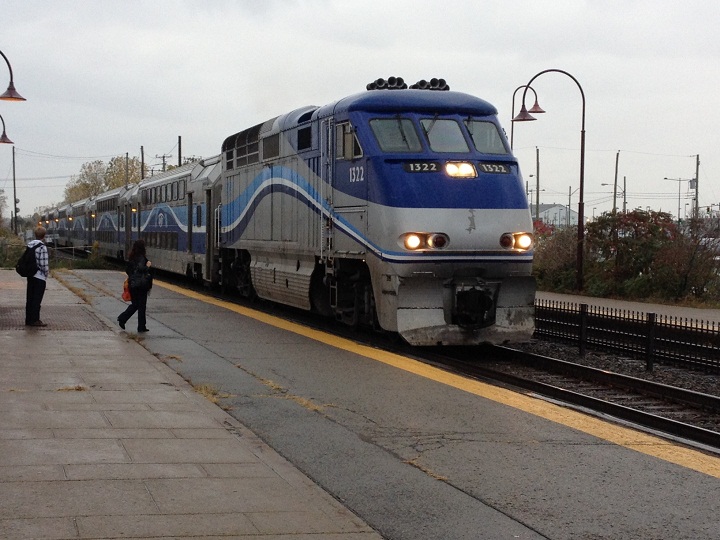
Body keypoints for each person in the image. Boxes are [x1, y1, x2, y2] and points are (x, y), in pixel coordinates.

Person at [117, 239, 152, 332]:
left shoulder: (131, 257)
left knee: (136, 304)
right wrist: (147, 266)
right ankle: (140, 326)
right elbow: (141, 269)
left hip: (132, 285)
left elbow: (127, 270)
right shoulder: (141, 258)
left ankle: (124, 319)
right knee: (141, 306)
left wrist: (132, 277)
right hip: (141, 285)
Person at [25, 226, 50, 327]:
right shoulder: (42, 247)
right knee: (37, 299)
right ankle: (35, 320)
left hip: (30, 275)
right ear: (44, 236)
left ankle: (28, 319)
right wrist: (46, 274)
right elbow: (44, 264)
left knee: (30, 298)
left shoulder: (30, 245)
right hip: (39, 276)